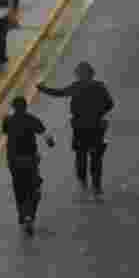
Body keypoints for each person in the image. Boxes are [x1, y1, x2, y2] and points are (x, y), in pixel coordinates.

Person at [37, 62, 114, 199]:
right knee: (96, 157)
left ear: (78, 74)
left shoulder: (76, 87)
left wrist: (42, 88)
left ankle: (83, 182)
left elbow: (59, 93)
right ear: (92, 74)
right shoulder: (100, 87)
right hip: (97, 126)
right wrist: (98, 113)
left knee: (80, 154)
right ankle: (97, 187)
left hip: (79, 126)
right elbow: (110, 104)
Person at [3, 96, 53, 236]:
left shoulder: (8, 120)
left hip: (13, 161)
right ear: (26, 107)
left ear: (13, 107)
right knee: (34, 188)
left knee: (19, 188)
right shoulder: (31, 119)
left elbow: (5, 130)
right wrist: (50, 142)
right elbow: (45, 134)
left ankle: (22, 214)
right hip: (30, 160)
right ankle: (30, 215)